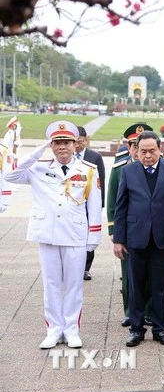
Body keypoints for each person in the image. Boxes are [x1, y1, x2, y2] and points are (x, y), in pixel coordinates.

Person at [5, 121, 102, 349]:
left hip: (75, 234)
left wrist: (93, 237)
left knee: (74, 284)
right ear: (51, 144)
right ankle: (53, 329)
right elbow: (10, 176)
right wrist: (38, 152)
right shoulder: (38, 167)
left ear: (75, 144)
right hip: (47, 233)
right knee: (51, 284)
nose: (62, 147)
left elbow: (95, 206)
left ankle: (72, 330)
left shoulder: (88, 169)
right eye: (57, 143)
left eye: (66, 142)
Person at [113, 131, 164, 347]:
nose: (148, 155)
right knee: (135, 285)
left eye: (152, 150)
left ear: (160, 150)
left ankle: (161, 329)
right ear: (136, 151)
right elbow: (121, 206)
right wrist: (118, 239)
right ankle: (136, 329)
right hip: (136, 238)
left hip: (163, 238)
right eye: (143, 151)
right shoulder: (128, 171)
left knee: (160, 286)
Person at [107, 123, 154, 328]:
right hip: (129, 231)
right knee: (129, 275)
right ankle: (130, 311)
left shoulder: (159, 167)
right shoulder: (120, 169)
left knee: (152, 274)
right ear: (129, 147)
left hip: (153, 231)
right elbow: (112, 202)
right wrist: (114, 231)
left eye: (140, 144)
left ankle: (151, 311)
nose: (137, 149)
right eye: (133, 145)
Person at [74, 126, 106, 281]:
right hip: (73, 204)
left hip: (89, 204)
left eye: (81, 142)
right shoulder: (66, 156)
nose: (78, 145)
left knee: (89, 236)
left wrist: (100, 205)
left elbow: (101, 182)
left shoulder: (95, 157)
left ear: (86, 140)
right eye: (75, 142)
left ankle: (86, 268)